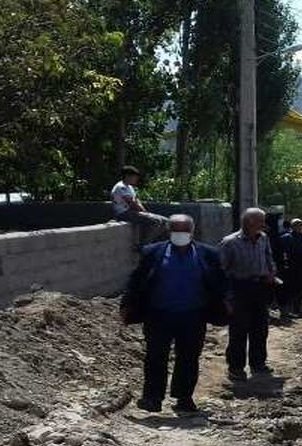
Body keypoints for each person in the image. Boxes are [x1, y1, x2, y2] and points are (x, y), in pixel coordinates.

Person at [121, 215, 227, 414]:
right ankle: (152, 398)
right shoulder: (153, 252)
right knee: (155, 356)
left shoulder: (208, 254)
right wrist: (127, 304)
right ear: (169, 232)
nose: (181, 234)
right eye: (176, 230)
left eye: (184, 230)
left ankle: (184, 398)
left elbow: (220, 282)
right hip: (158, 314)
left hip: (193, 315)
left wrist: (227, 303)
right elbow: (136, 280)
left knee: (188, 357)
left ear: (192, 231)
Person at [220, 208, 277, 381]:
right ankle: (236, 367)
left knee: (260, 328)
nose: (263, 225)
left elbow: (269, 258)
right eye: (260, 221)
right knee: (239, 330)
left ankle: (258, 363)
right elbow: (221, 270)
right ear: (249, 222)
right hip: (240, 289)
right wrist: (226, 297)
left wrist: (271, 272)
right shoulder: (229, 243)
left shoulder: (263, 239)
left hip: (260, 288)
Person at [111, 166, 168, 244]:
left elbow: (137, 200)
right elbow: (132, 203)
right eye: (134, 177)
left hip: (132, 212)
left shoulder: (130, 187)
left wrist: (145, 212)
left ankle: (156, 242)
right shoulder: (121, 187)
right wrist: (145, 213)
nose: (136, 179)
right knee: (155, 221)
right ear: (127, 176)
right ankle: (143, 244)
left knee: (165, 221)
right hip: (123, 213)